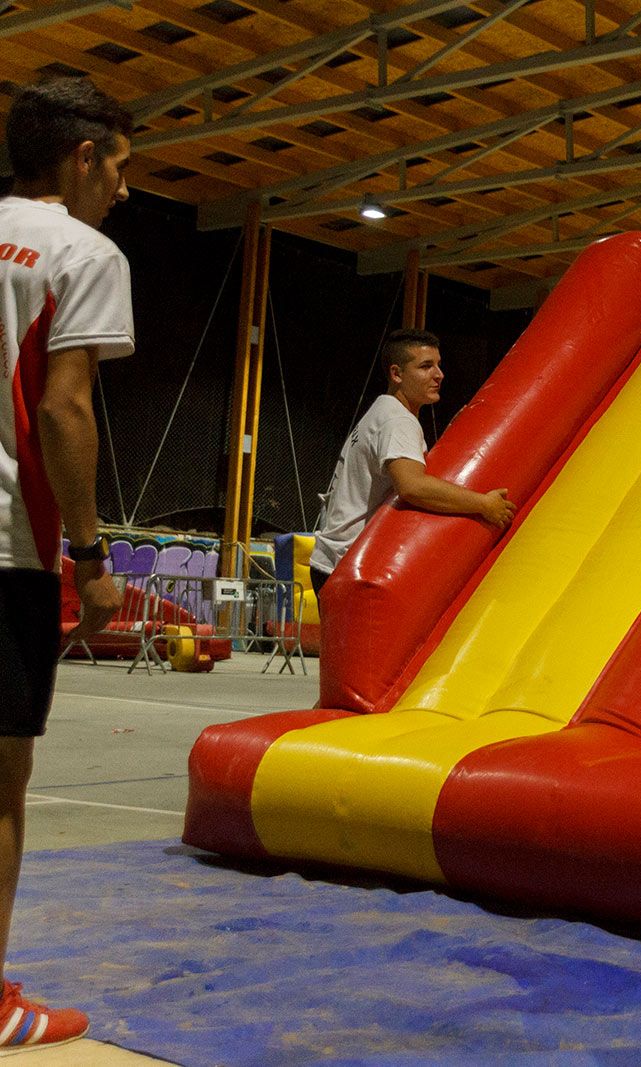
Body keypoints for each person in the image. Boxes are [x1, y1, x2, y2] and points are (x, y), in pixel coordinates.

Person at [0, 75, 136, 1052]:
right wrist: (90, 554)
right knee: (1, 781)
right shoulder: (82, 252)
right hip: (7, 543)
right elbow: (63, 405)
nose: (123, 190)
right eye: (119, 167)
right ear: (83, 157)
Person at [309, 329, 515, 595]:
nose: (439, 374)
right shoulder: (398, 420)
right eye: (425, 366)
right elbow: (412, 486)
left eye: (438, 365)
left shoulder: (383, 410)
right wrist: (483, 504)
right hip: (350, 566)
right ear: (397, 374)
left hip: (335, 562)